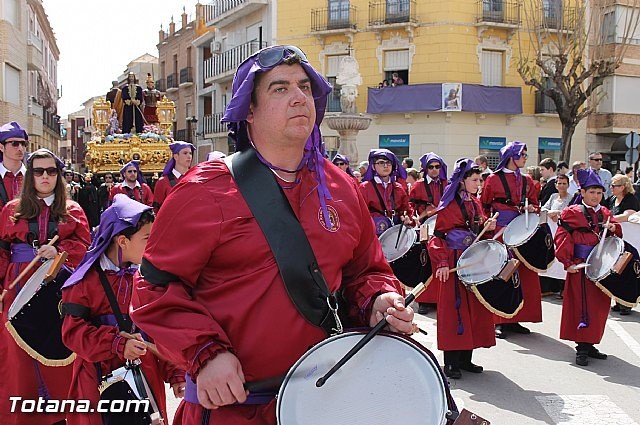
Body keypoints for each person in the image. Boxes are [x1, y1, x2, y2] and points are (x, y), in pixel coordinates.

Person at [130, 45, 413, 425]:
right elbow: (154, 288)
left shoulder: (341, 187)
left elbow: (366, 271)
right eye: (280, 89)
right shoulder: (204, 191)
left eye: (304, 87)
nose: (299, 96)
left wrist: (379, 299)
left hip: (329, 400)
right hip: (237, 409)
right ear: (249, 109)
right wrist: (206, 353)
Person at [61, 194, 185, 425]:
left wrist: (175, 373)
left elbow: (162, 329)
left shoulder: (149, 277)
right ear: (122, 242)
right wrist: (116, 344)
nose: (154, 244)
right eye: (147, 238)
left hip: (144, 374)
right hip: (97, 379)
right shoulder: (84, 282)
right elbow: (72, 334)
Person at [0, 149, 91, 425]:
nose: (45, 177)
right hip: (18, 287)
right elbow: (2, 251)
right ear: (31, 175)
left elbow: (86, 247)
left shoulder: (73, 210)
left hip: (57, 288)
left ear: (58, 175)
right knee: (16, 356)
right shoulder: (11, 210)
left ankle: (61, 416)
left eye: (51, 171)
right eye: (38, 171)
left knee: (59, 347)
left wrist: (61, 250)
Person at [428, 158, 497, 379]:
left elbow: (478, 228)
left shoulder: (475, 203)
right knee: (454, 310)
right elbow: (437, 237)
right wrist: (441, 262)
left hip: (473, 260)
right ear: (462, 181)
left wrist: (487, 225)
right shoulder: (448, 206)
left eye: (480, 180)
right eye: (475, 180)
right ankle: (451, 362)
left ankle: (466, 358)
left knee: (473, 309)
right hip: (454, 260)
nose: (479, 184)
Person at [555, 169, 621, 366]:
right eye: (592, 192)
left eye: (599, 193)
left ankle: (591, 342)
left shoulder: (606, 212)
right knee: (582, 306)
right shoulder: (572, 212)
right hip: (581, 266)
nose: (595, 196)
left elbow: (617, 235)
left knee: (599, 306)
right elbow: (561, 237)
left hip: (601, 268)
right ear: (582, 192)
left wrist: (613, 228)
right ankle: (581, 347)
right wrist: (568, 262)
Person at [480, 141, 541, 339]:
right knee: (502, 271)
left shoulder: (527, 180)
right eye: (522, 154)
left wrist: (532, 208)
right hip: (501, 229)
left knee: (522, 273)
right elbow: (484, 205)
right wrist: (487, 226)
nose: (525, 158)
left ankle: (516, 318)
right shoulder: (492, 179)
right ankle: (499, 319)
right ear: (512, 157)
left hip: (522, 228)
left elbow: (534, 202)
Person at [409, 153, 448, 314]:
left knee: (441, 260)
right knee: (424, 262)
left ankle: (439, 297)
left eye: (437, 166)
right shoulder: (418, 186)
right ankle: (424, 299)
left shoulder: (446, 184)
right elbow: (410, 205)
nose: (434, 170)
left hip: (443, 225)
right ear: (425, 169)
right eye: (431, 167)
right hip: (425, 226)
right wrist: (424, 212)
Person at [360, 148, 414, 236]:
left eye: (388, 163)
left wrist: (407, 217)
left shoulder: (398, 188)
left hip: (395, 233)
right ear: (373, 166)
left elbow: (406, 210)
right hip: (373, 233)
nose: (386, 166)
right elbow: (360, 213)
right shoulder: (365, 187)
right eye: (381, 163)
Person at [606, 174, 639, 316]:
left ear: (623, 187)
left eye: (615, 186)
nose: (612, 188)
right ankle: (618, 300)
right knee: (615, 270)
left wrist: (609, 220)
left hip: (628, 243)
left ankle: (626, 302)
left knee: (626, 270)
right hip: (615, 242)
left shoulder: (630, 199)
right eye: (611, 186)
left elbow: (627, 216)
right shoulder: (613, 199)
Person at [153, 141, 195, 212]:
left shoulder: (194, 178)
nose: (189, 156)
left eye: (190, 153)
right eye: (185, 153)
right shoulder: (163, 182)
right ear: (176, 156)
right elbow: (156, 208)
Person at [0, 121, 27, 210]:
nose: (20, 148)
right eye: (14, 143)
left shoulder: (33, 177)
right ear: (1, 147)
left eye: (23, 144)